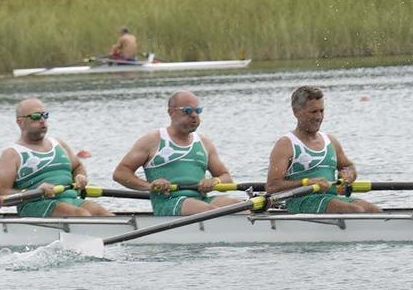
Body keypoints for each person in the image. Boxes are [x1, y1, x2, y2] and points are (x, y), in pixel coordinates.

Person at [112, 91, 243, 216]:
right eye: (187, 111)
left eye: (197, 111)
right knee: (210, 211)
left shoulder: (205, 143)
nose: (194, 115)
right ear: (171, 112)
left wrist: (215, 180)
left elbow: (226, 177)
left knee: (240, 206)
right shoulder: (152, 140)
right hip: (169, 202)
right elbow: (120, 173)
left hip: (201, 201)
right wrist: (149, 186)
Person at [265, 85, 380, 215]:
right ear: (296, 112)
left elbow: (347, 166)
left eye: (322, 111)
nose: (319, 117)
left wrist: (349, 175)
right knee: (355, 210)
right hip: (301, 201)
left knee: (374, 210)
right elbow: (272, 187)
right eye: (313, 112)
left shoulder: (331, 141)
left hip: (330, 198)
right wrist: (306, 182)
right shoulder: (285, 145)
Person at [0, 99, 110, 217]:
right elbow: (1, 193)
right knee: (81, 215)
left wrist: (80, 176)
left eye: (45, 115)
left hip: (70, 200)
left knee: (105, 214)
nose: (42, 120)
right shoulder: (11, 154)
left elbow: (78, 166)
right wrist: (34, 192)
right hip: (35, 205)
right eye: (36, 116)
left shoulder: (59, 144)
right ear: (20, 122)